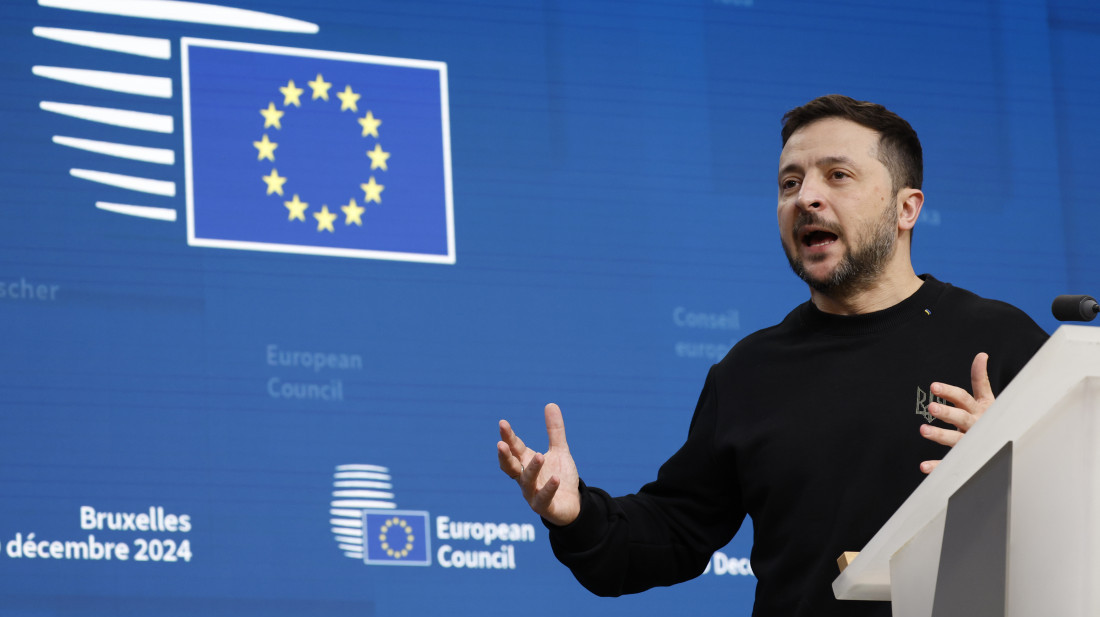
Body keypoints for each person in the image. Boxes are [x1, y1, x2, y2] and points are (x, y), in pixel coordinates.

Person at [495, 94, 1049, 616]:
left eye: (838, 175)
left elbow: (1076, 516)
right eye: (790, 182)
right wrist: (577, 514)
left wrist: (1024, 462)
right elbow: (675, 530)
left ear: (907, 208)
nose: (805, 198)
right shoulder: (749, 372)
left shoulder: (998, 340)